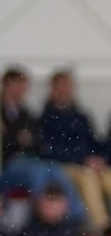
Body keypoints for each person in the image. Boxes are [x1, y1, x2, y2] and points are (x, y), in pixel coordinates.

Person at [38, 69, 111, 235]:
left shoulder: (81, 116)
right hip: (64, 167)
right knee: (89, 177)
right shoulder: (46, 118)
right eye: (62, 86)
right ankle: (103, 225)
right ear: (53, 88)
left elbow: (94, 142)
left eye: (69, 86)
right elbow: (49, 149)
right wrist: (82, 160)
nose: (66, 90)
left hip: (89, 164)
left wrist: (101, 158)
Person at [1, 66, 83, 216]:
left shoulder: (25, 112)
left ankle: (73, 215)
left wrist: (23, 140)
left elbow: (36, 140)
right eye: (18, 85)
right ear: (7, 84)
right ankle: (43, 216)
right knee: (38, 173)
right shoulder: (4, 112)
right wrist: (17, 139)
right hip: (10, 163)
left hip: (29, 159)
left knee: (56, 169)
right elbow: (10, 143)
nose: (22, 90)